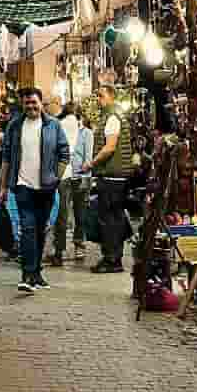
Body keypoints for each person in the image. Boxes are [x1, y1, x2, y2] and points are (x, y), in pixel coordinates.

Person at [0, 87, 69, 294]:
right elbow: (7, 158)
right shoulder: (15, 126)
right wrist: (2, 186)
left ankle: (36, 273)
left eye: (33, 102)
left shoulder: (53, 125)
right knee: (27, 228)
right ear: (22, 105)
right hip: (22, 186)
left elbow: (64, 153)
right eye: (27, 103)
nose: (31, 106)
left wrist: (56, 177)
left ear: (40, 102)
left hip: (46, 187)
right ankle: (27, 274)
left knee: (40, 229)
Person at [89, 80, 135, 273]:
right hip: (114, 175)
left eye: (101, 96)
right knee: (113, 217)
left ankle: (112, 259)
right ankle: (112, 257)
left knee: (110, 219)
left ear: (111, 96)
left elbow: (109, 148)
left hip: (112, 176)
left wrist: (91, 163)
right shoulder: (112, 115)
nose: (98, 100)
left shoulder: (113, 117)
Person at [47, 96, 92, 265]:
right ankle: (59, 249)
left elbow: (87, 157)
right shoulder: (62, 126)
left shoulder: (84, 132)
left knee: (79, 213)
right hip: (66, 175)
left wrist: (84, 172)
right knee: (62, 213)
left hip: (79, 176)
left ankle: (78, 243)